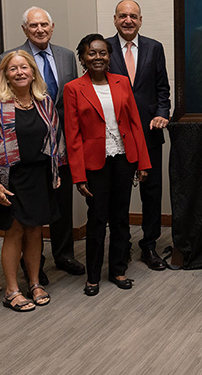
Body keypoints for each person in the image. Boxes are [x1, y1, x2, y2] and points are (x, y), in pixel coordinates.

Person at [0, 6, 83, 282]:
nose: (40, 29)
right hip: (26, 142)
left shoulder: (67, 56)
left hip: (61, 140)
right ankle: (34, 264)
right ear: (24, 29)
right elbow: (2, 104)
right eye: (33, 26)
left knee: (61, 200)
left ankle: (64, 254)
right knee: (29, 212)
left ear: (52, 26)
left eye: (44, 24)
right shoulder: (11, 57)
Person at [0, 50, 65, 312]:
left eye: (24, 67)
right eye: (13, 69)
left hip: (39, 175)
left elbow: (55, 138)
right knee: (14, 231)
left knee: (36, 230)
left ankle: (35, 283)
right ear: (6, 75)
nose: (20, 72)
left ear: (32, 71)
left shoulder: (44, 101)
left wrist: (56, 171)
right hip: (11, 177)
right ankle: (11, 290)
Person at [65, 34, 152, 296]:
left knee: (120, 218)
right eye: (92, 53)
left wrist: (143, 163)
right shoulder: (73, 88)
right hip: (95, 163)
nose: (98, 57)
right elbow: (73, 135)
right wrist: (78, 176)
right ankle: (92, 276)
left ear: (109, 56)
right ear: (82, 57)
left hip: (124, 158)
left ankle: (117, 269)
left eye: (103, 53)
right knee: (97, 218)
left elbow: (135, 124)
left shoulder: (122, 82)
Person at [106, 0, 171, 271]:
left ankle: (149, 245)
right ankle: (121, 246)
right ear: (115, 19)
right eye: (123, 16)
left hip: (149, 132)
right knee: (117, 193)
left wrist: (162, 113)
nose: (128, 20)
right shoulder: (103, 48)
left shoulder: (154, 48)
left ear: (141, 20)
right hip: (115, 135)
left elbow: (162, 89)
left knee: (152, 192)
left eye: (133, 16)